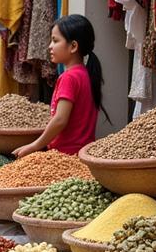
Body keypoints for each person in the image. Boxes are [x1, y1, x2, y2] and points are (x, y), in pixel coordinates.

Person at [14, 14, 107, 158]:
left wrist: (34, 146)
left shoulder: (69, 78)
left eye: (55, 41)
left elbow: (60, 120)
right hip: (83, 155)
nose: (50, 46)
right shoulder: (85, 74)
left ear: (73, 46)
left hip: (65, 156)